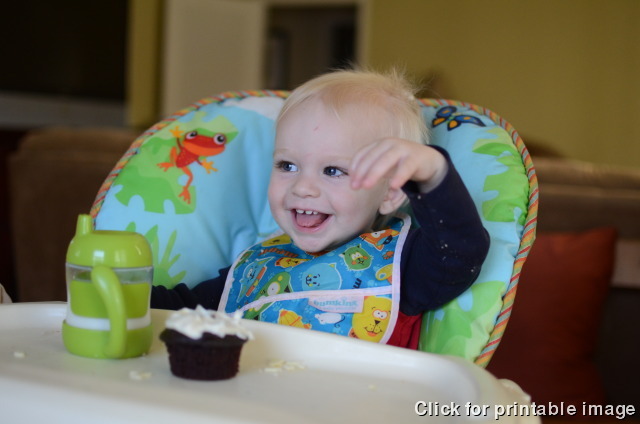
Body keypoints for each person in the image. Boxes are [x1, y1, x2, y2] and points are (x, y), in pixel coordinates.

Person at [152, 68, 490, 349]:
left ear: (390, 193)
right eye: (287, 165)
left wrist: (432, 175)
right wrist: (124, 288)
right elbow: (181, 311)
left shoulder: (403, 266)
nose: (303, 187)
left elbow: (460, 251)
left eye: (332, 170)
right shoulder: (257, 266)